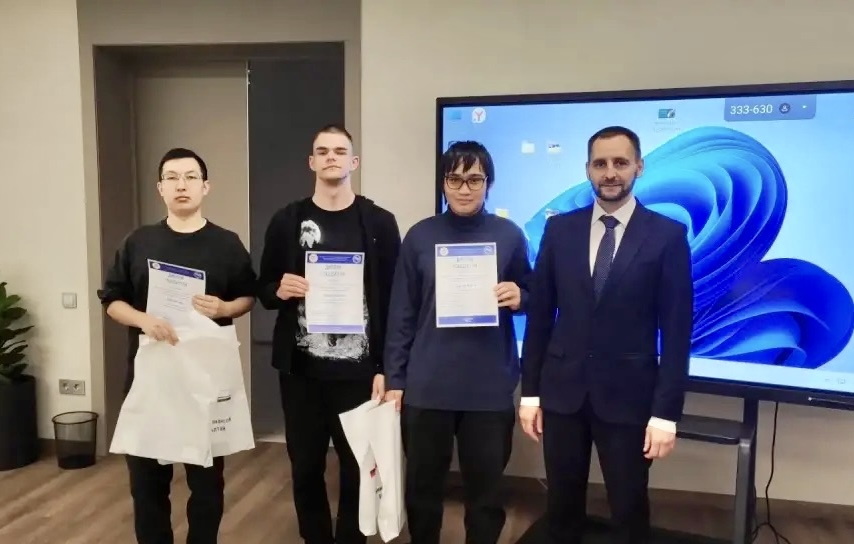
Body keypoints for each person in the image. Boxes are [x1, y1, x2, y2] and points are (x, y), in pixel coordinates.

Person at [519, 126, 694, 544]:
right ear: (588, 170)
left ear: (639, 167)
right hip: (562, 397)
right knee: (561, 510)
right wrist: (530, 395)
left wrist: (665, 414)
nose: (610, 172)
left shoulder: (667, 236)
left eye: (620, 162)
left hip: (629, 400)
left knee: (629, 511)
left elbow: (676, 332)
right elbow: (540, 317)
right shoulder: (560, 231)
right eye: (600, 164)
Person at [97, 147, 257, 544]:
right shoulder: (138, 242)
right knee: (147, 486)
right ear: (160, 188)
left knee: (207, 486)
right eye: (172, 177)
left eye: (190, 177)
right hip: (151, 379)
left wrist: (225, 307)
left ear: (205, 186)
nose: (181, 185)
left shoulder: (226, 243)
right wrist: (144, 320)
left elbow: (248, 296)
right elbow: (112, 300)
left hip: (205, 381)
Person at [257, 124, 401, 544]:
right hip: (301, 372)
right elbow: (263, 288)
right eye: (323, 151)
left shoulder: (379, 222)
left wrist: (387, 366)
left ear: (353, 161)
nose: (331, 157)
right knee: (305, 467)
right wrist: (279, 289)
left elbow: (394, 301)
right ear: (312, 162)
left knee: (358, 466)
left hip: (360, 373)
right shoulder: (287, 221)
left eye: (340, 151)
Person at [384, 140, 532, 544]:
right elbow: (402, 313)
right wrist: (396, 378)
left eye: (475, 179)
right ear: (443, 183)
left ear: (489, 184)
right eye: (455, 179)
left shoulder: (509, 235)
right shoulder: (420, 236)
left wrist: (521, 296)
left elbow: (533, 293)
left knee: (486, 496)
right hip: (428, 386)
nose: (464, 189)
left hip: (487, 388)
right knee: (423, 491)